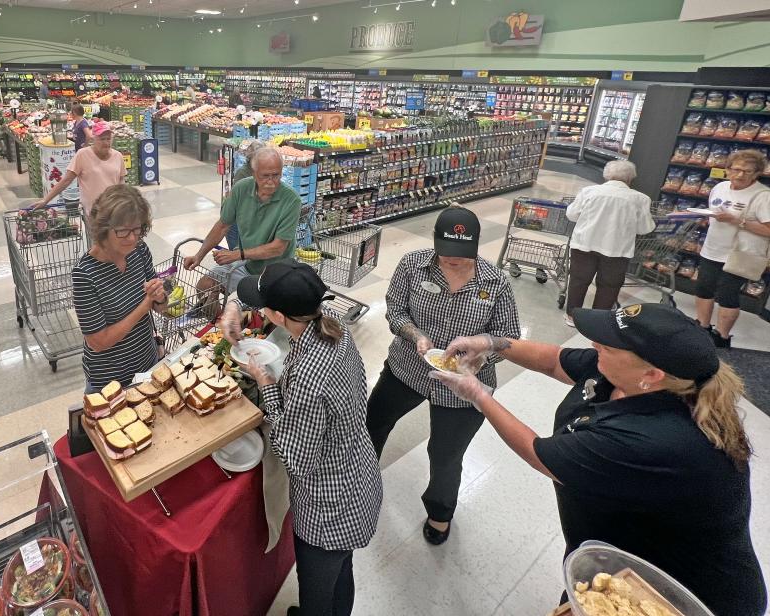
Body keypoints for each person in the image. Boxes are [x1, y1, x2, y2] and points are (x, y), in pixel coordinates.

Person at [436, 303, 767, 616]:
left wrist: (478, 394)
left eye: (608, 346)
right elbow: (554, 360)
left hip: (674, 592)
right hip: (617, 551)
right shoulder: (627, 372)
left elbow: (538, 454)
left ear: (652, 374)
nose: (596, 344)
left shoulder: (657, 441)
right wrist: (492, 343)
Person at [229, 260, 382, 616]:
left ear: (278, 316)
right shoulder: (328, 318)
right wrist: (235, 307)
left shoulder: (312, 380)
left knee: (316, 590)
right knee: (343, 570)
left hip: (330, 506)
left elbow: (297, 459)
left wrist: (266, 384)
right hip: (358, 470)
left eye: (263, 306)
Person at [365, 206, 520, 546]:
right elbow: (396, 309)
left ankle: (440, 512)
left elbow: (510, 336)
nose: (452, 261)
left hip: (464, 385)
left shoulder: (495, 283)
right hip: (407, 367)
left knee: (446, 454)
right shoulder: (412, 264)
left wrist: (483, 355)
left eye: (462, 257)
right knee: (374, 422)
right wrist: (415, 335)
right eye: (446, 254)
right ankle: (360, 477)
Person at [72, 184, 167, 391]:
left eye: (137, 229)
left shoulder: (139, 250)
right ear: (104, 229)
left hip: (147, 365)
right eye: (123, 231)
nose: (132, 238)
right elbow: (99, 342)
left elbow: (160, 307)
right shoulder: (85, 274)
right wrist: (144, 305)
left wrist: (159, 296)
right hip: (109, 382)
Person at [183, 147, 299, 301]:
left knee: (247, 308)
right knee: (204, 287)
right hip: (244, 262)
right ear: (254, 173)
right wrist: (199, 255)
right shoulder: (241, 189)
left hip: (274, 271)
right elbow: (223, 225)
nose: (271, 182)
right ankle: (218, 321)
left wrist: (238, 254)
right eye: (265, 176)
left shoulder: (291, 200)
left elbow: (278, 248)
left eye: (276, 175)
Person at [564, 159, 655, 327]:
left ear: (607, 175)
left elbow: (572, 215)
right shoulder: (640, 199)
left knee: (579, 280)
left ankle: (572, 316)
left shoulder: (588, 191)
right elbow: (645, 228)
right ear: (630, 179)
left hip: (584, 244)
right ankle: (599, 320)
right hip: (617, 250)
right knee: (609, 285)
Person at [694, 148, 770, 347]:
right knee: (704, 288)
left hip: (739, 255)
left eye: (747, 171)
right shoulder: (719, 187)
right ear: (727, 169)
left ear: (757, 173)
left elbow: (769, 229)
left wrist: (738, 221)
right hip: (712, 248)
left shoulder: (763, 196)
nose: (740, 174)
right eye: (736, 169)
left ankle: (722, 337)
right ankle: (702, 328)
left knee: (726, 295)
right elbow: (716, 211)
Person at [34, 121, 125, 215]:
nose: (106, 142)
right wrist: (45, 200)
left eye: (108, 139)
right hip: (92, 212)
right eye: (102, 139)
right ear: (94, 138)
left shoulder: (118, 156)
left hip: (113, 210)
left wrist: (123, 201)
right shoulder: (82, 155)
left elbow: (121, 181)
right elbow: (66, 180)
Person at [224, 139, 267, 249]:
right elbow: (239, 201)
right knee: (237, 253)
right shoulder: (243, 173)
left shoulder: (263, 173)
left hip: (251, 221)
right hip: (237, 221)